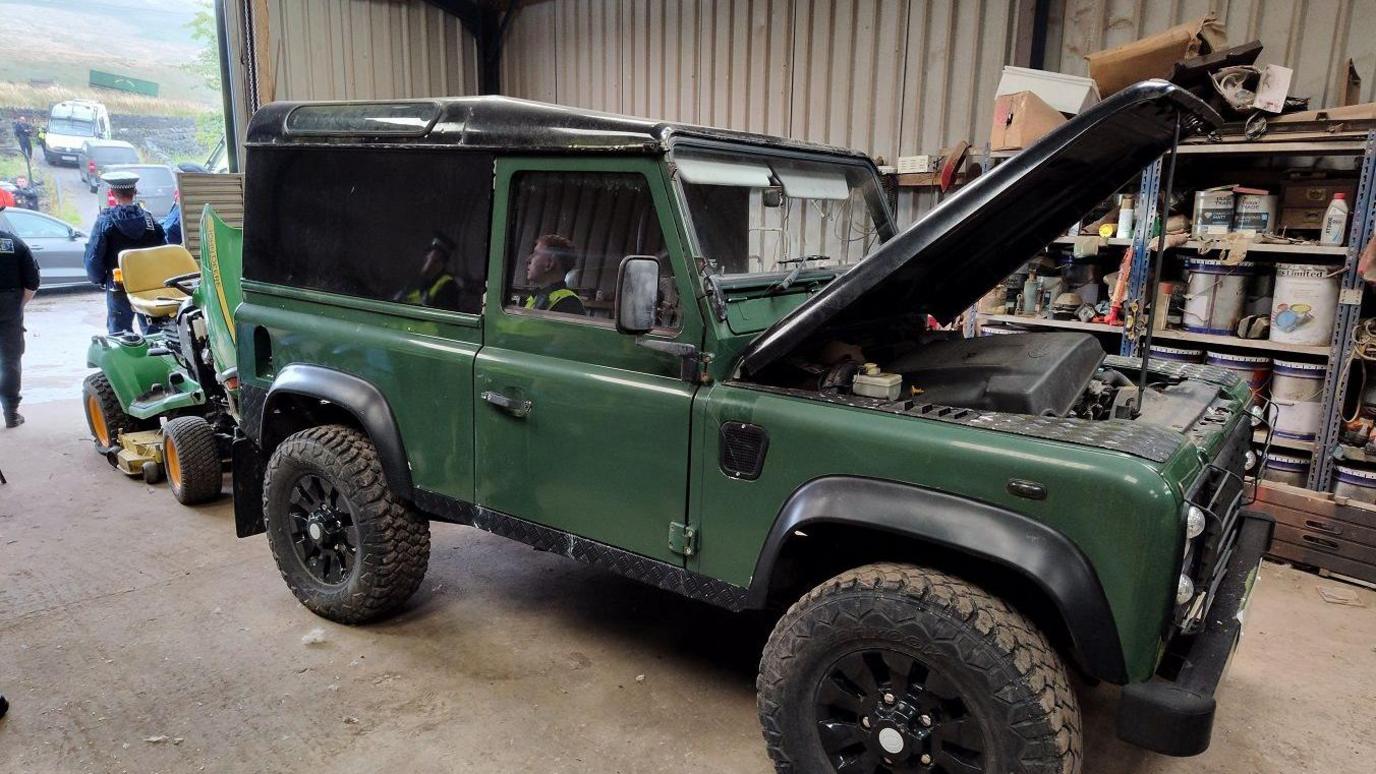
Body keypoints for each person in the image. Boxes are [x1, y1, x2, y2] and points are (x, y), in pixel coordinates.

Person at [83, 171, 166, 334]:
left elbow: (94, 257)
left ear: (112, 193)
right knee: (155, 333)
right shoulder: (150, 222)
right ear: (135, 192)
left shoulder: (105, 222)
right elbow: (164, 254)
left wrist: (98, 279)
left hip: (118, 284)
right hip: (147, 285)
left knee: (119, 334)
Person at [1, 202, 41, 428]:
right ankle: (11, 414)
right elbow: (32, 282)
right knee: (9, 361)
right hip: (9, 305)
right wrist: (18, 306)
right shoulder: (15, 244)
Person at [522, 234, 585, 315]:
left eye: (535, 254)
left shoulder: (569, 304)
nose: (528, 260)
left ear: (549, 264)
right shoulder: (535, 297)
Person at [397, 233, 460, 309]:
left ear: (440, 263)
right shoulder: (416, 281)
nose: (426, 260)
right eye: (427, 257)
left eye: (432, 259)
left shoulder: (448, 286)